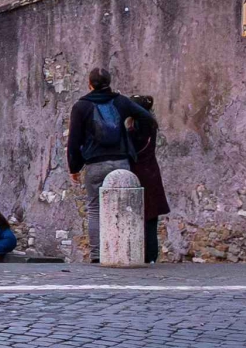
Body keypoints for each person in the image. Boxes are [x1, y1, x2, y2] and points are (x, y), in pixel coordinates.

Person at [67, 67, 156, 262]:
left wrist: (74, 167)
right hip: (121, 161)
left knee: (94, 209)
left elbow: (74, 140)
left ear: (89, 84)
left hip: (94, 164)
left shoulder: (81, 107)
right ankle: (123, 251)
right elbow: (147, 118)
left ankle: (97, 256)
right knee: (124, 207)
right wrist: (131, 135)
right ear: (109, 82)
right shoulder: (121, 101)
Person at [128, 94, 170, 263]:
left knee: (142, 217)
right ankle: (150, 255)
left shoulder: (135, 131)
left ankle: (144, 254)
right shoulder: (151, 127)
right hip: (151, 173)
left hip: (139, 173)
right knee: (150, 218)